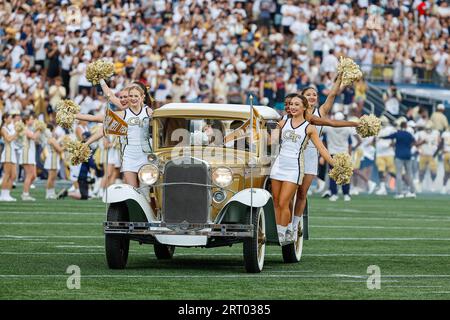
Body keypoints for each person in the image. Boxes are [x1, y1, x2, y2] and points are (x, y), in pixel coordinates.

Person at [292, 75, 359, 221]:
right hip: (293, 152)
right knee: (292, 191)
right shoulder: (296, 111)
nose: (312, 97)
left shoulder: (320, 112)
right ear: (301, 97)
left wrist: (340, 77)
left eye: (314, 94)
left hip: (311, 154)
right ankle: (286, 220)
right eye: (308, 94)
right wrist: (354, 124)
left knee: (303, 193)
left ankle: (296, 223)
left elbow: (333, 94)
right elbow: (332, 123)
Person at [270, 94, 335, 243]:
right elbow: (272, 141)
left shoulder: (309, 127)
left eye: (296, 104)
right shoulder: (282, 122)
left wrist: (334, 163)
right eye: (291, 104)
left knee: (284, 202)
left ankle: (282, 231)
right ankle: (281, 230)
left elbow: (322, 149)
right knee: (275, 201)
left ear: (304, 107)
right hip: (279, 166)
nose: (292, 107)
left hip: (294, 168)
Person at [322, 113, 358, 202]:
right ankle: (346, 194)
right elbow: (350, 142)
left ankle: (334, 194)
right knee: (345, 174)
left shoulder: (329, 128)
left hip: (332, 153)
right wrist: (350, 155)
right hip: (344, 154)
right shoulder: (347, 129)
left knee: (333, 175)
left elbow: (322, 134)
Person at [380, 121, 417, 199]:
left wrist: (380, 137)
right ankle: (413, 192)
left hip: (399, 155)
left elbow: (388, 137)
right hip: (408, 155)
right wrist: (409, 147)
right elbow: (414, 142)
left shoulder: (398, 133)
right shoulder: (409, 134)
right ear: (406, 126)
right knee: (409, 174)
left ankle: (399, 193)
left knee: (399, 174)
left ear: (400, 126)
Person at [20, 114, 42, 201]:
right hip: (26, 153)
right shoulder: (24, 129)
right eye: (31, 119)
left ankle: (25, 192)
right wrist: (39, 128)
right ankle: (25, 194)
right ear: (26, 121)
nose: (32, 121)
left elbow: (35, 139)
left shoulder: (28, 129)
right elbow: (33, 137)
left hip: (31, 153)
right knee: (29, 175)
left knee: (33, 175)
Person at [375, 116, 397, 195]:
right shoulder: (376, 129)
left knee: (392, 171)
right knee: (381, 171)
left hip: (389, 153)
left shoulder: (391, 129)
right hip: (380, 153)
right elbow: (374, 139)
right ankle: (382, 187)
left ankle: (397, 184)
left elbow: (395, 139)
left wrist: (392, 144)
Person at [416, 121, 440, 192]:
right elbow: (417, 143)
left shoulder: (436, 133)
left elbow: (439, 143)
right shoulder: (421, 133)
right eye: (427, 128)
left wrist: (437, 151)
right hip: (423, 154)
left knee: (433, 171)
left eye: (429, 128)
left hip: (432, 155)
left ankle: (433, 184)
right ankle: (420, 184)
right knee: (421, 171)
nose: (428, 130)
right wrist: (419, 150)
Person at [0, 113, 19, 201]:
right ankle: (3, 195)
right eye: (10, 118)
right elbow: (8, 139)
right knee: (7, 174)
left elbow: (14, 139)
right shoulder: (3, 129)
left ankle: (7, 194)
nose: (11, 119)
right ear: (5, 119)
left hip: (12, 152)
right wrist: (17, 133)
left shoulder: (10, 127)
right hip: (7, 152)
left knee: (14, 175)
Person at [44, 124, 63, 199]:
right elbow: (59, 149)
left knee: (53, 177)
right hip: (52, 158)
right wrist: (67, 146)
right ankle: (48, 193)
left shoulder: (51, 138)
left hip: (54, 158)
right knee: (51, 177)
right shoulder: (51, 139)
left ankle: (51, 192)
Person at [441, 127, 450, 194]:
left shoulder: (445, 133)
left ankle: (444, 187)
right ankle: (444, 187)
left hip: (446, 153)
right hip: (446, 153)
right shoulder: (445, 134)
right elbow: (441, 144)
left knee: (446, 172)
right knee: (446, 172)